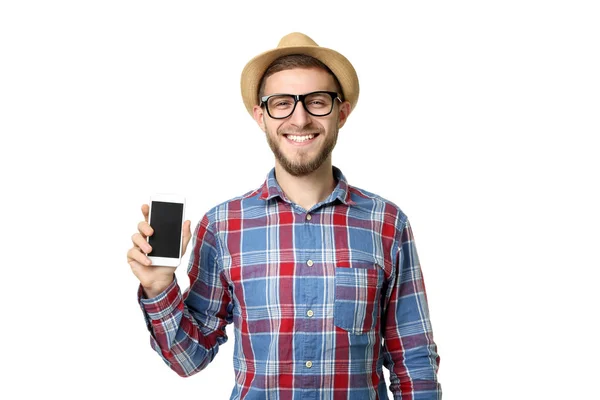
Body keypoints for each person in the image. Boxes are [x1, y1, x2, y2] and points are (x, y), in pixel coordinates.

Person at [127, 32, 442, 399]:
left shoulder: (387, 224)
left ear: (342, 113)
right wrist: (158, 287)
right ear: (261, 117)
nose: (300, 118)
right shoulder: (222, 226)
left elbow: (414, 360)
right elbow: (189, 359)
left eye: (317, 101)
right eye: (281, 103)